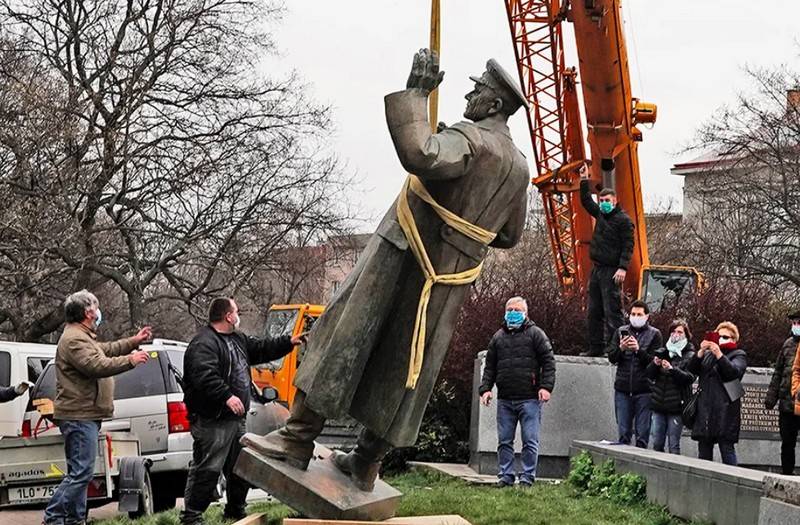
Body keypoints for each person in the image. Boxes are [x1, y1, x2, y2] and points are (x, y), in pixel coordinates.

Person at [241, 48, 530, 494]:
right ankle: (365, 462)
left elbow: (421, 153)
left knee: (340, 336)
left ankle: (296, 439)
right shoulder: (518, 167)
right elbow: (510, 235)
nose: (470, 95)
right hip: (449, 283)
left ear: (494, 105)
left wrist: (416, 95)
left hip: (402, 255)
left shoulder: (471, 139)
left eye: (478, 91)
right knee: (409, 366)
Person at [180, 297, 304, 524]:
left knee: (241, 467)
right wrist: (227, 396)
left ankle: (235, 510)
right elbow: (204, 377)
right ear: (228, 316)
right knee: (208, 468)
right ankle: (192, 516)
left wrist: (288, 342)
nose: (238, 315)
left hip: (237, 420)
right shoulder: (203, 344)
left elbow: (261, 348)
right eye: (236, 311)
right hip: (213, 420)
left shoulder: (238, 339)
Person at [44, 290, 152, 525]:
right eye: (96, 305)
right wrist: (130, 360)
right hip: (78, 415)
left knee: (80, 474)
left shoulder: (82, 337)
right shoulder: (74, 339)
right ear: (87, 312)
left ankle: (74, 520)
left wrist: (133, 342)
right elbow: (96, 365)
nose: (98, 310)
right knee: (81, 474)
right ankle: (53, 518)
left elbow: (106, 349)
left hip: (84, 415)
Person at [478, 297, 556, 487]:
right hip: (505, 400)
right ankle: (506, 476)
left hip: (529, 399)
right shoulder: (497, 337)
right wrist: (485, 389)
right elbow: (490, 367)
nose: (513, 313)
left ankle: (527, 478)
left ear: (526, 313)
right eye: (510, 309)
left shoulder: (536, 334)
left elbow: (549, 362)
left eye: (517, 309)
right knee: (505, 441)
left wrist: (546, 387)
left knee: (530, 441)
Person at [579, 167, 635, 357]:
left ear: (615, 201)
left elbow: (628, 246)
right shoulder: (602, 216)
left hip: (612, 270)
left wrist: (622, 267)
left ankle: (615, 350)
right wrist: (584, 180)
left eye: (606, 201)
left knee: (613, 312)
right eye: (601, 201)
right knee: (594, 311)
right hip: (597, 269)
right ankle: (596, 348)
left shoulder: (623, 221)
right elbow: (586, 202)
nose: (603, 204)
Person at [687, 322, 747, 466]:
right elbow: (692, 369)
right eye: (718, 336)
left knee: (727, 450)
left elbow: (734, 373)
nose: (721, 339)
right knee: (704, 452)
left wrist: (719, 354)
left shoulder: (738, 354)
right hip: (705, 410)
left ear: (733, 339)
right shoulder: (708, 355)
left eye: (725, 337)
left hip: (726, 411)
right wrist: (700, 352)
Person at [607, 300, 662, 448]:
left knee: (642, 433)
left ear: (647, 316)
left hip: (644, 389)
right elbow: (612, 357)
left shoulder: (655, 334)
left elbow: (653, 362)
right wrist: (621, 348)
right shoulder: (620, 331)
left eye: (639, 314)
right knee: (623, 432)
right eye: (633, 314)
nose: (635, 317)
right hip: (623, 388)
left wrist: (638, 350)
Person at [646, 319, 695, 454]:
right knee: (657, 443)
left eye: (680, 332)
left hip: (676, 407)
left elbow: (689, 378)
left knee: (673, 444)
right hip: (659, 405)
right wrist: (655, 364)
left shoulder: (690, 355)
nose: (676, 334)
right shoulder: (664, 351)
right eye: (673, 331)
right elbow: (650, 375)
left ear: (686, 334)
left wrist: (672, 369)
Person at [766, 310, 800, 474]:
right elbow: (778, 372)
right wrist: (771, 397)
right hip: (787, 404)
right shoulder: (787, 344)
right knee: (787, 442)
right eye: (793, 323)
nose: (795, 326)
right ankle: (787, 473)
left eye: (798, 323)